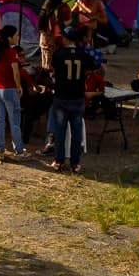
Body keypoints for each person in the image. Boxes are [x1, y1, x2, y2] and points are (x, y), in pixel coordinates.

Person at [46, 30, 89, 174]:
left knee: (60, 131)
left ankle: (58, 161)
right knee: (77, 132)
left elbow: (53, 68)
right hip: (77, 96)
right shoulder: (83, 54)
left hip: (62, 96)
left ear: (65, 39)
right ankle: (75, 163)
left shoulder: (59, 54)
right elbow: (90, 68)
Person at [0, 25, 27, 160]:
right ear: (9, 37)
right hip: (9, 89)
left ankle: (0, 150)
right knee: (14, 120)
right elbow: (16, 72)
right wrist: (18, 86)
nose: (17, 37)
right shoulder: (11, 52)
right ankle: (19, 150)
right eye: (16, 35)